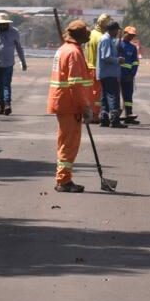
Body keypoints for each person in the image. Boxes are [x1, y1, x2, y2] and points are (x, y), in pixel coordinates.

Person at [47, 20, 94, 193]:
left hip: (63, 102)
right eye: (86, 32)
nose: (89, 34)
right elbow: (75, 83)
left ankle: (63, 178)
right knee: (69, 143)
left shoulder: (64, 50)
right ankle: (63, 180)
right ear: (79, 35)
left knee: (65, 142)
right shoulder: (73, 52)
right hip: (69, 103)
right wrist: (85, 107)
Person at [97, 21, 126, 128]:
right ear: (113, 30)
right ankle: (114, 120)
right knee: (113, 96)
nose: (117, 33)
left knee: (105, 96)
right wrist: (118, 60)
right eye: (117, 30)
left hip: (106, 73)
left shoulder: (108, 39)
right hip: (109, 73)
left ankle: (104, 119)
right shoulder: (106, 40)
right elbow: (106, 57)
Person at [85, 14, 111, 123]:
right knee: (97, 94)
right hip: (97, 68)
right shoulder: (102, 37)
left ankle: (89, 113)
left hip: (88, 67)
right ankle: (95, 115)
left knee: (89, 92)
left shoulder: (91, 34)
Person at [118, 26, 140, 124]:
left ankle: (128, 114)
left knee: (128, 96)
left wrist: (132, 73)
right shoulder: (118, 45)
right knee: (115, 95)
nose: (131, 37)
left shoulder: (133, 47)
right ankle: (115, 114)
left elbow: (135, 62)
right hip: (118, 75)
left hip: (128, 76)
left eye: (133, 35)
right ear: (124, 33)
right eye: (129, 34)